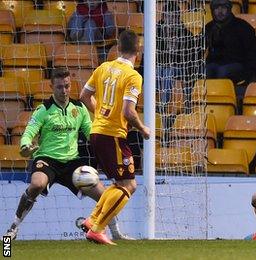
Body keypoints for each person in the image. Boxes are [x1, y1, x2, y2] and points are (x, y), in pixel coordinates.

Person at [3, 68, 130, 241]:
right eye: (60, 87)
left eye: (67, 86)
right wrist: (25, 146)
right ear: (51, 87)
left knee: (104, 194)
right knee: (37, 184)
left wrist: (107, 148)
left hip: (72, 163)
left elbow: (91, 133)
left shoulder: (79, 109)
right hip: (47, 159)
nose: (64, 91)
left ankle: (115, 231)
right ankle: (13, 227)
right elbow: (29, 132)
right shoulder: (43, 110)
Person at [77, 30, 150, 245]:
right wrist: (143, 128)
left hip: (97, 131)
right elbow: (128, 111)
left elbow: (83, 96)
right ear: (139, 51)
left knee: (120, 183)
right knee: (129, 185)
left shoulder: (103, 68)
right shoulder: (133, 76)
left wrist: (99, 113)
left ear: (117, 48)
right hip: (113, 134)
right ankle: (97, 229)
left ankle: (92, 220)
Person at [203, 0, 256, 85]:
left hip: (238, 65)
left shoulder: (243, 27)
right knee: (205, 71)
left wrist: (250, 73)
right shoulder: (209, 27)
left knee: (222, 71)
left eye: (223, 7)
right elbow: (197, 50)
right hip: (213, 65)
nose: (220, 11)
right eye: (216, 8)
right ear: (212, 10)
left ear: (229, 9)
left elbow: (254, 54)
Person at [156, 2, 200, 114]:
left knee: (168, 73)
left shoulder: (186, 34)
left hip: (179, 70)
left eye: (174, 17)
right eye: (167, 16)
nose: (170, 20)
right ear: (163, 17)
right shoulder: (155, 33)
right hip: (158, 69)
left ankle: (163, 107)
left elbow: (189, 61)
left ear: (178, 18)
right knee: (161, 72)